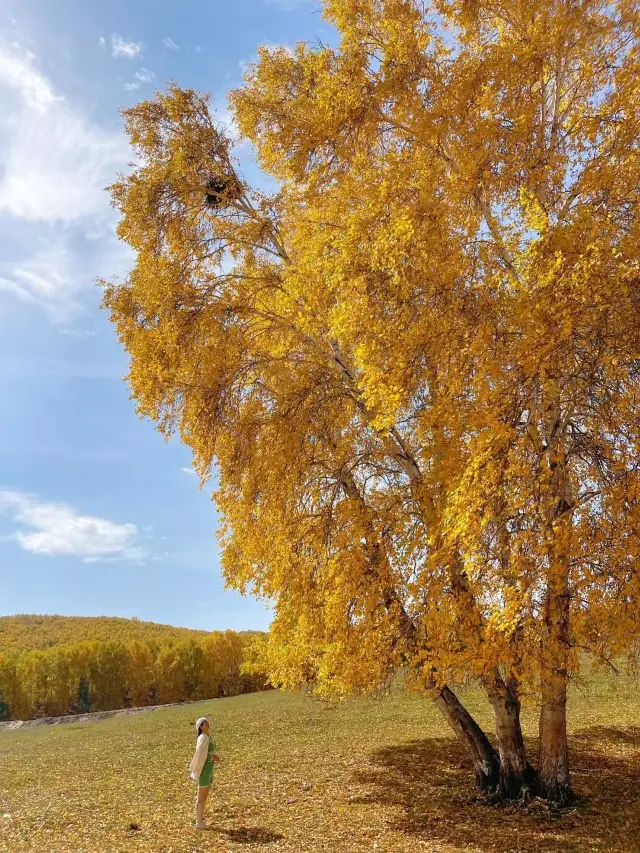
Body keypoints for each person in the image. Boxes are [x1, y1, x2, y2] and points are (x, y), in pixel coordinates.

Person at [188, 716, 220, 830]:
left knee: (204, 794)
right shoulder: (202, 737)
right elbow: (200, 754)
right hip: (204, 769)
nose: (208, 723)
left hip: (210, 768)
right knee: (201, 795)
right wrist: (212, 755)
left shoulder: (208, 737)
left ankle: (200, 819)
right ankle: (199, 822)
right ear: (201, 726)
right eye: (205, 722)